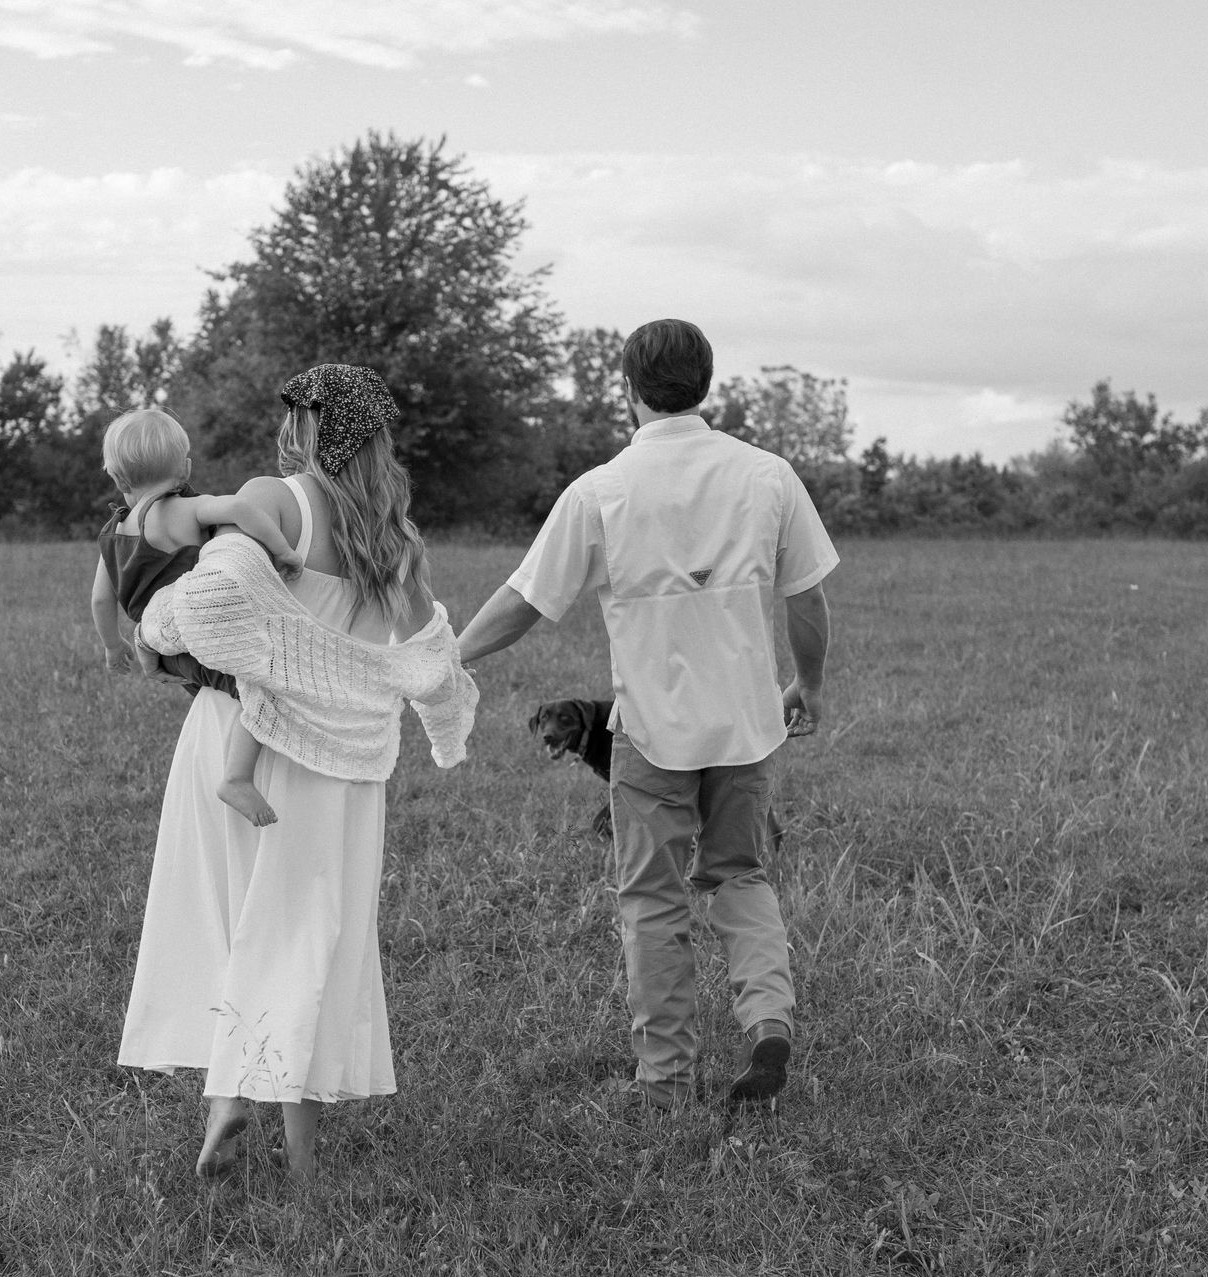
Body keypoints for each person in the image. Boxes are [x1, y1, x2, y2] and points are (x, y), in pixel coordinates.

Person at [456, 319, 837, 1110]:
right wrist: (809, 683)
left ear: (627, 390)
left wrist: (448, 657)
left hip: (651, 737)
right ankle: (768, 1023)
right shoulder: (768, 475)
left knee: (653, 900)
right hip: (748, 725)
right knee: (742, 875)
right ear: (705, 386)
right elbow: (807, 599)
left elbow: (526, 601)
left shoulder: (600, 490)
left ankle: (664, 1078)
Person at [118, 365, 477, 1184]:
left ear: (312, 425)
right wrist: (444, 716)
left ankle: (227, 1101)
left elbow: (211, 594)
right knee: (310, 939)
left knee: (230, 918)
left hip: (238, 737)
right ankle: (304, 1167)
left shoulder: (276, 498)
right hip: (338, 765)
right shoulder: (395, 537)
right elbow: (430, 657)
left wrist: (159, 627)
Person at [89, 406, 303, 827]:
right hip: (197, 638)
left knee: (228, 688)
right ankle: (236, 778)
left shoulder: (113, 532)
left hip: (163, 647)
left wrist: (113, 646)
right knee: (261, 683)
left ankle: (230, 762)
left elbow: (100, 600)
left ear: (116, 478)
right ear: (185, 468)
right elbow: (242, 510)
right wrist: (284, 551)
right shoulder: (185, 509)